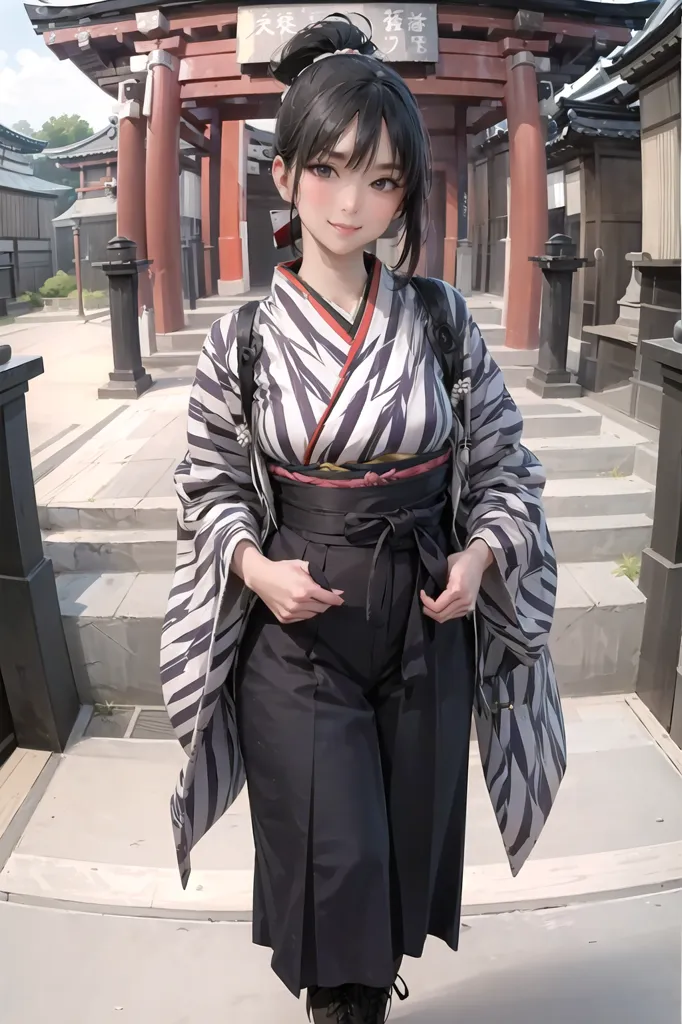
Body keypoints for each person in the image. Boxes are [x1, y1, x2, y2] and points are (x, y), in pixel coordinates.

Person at [161, 14, 566, 1024]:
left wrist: (479, 555)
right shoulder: (244, 340)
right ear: (285, 175)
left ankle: (364, 996)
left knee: (396, 853)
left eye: (382, 179)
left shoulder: (436, 318)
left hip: (429, 618)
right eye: (330, 169)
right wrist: (254, 570)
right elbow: (208, 487)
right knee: (334, 854)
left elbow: (505, 464)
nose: (353, 202)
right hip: (299, 628)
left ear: (403, 195)